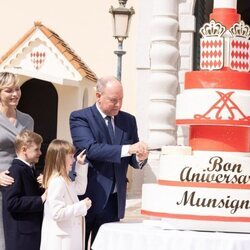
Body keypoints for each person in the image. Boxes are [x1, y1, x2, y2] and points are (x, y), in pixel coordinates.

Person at [70, 75, 149, 249]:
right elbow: (90, 149)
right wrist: (129, 149)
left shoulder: (128, 120)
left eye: (121, 100)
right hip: (87, 197)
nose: (119, 105)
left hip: (114, 201)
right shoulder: (80, 118)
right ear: (98, 96)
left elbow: (132, 160)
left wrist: (139, 158)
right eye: (114, 100)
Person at [0, 72, 34, 249]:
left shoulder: (27, 120)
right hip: (1, 186)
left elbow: (31, 153)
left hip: (23, 188)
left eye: (17, 89)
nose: (15, 94)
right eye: (8, 90)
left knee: (19, 238)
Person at [40, 139, 92, 250]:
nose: (73, 161)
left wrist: (80, 165)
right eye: (71, 157)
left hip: (67, 239)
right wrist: (81, 206)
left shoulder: (64, 179)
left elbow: (80, 189)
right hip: (61, 242)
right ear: (60, 159)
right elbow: (57, 213)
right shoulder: (57, 181)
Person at [1, 130, 46, 250]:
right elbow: (11, 202)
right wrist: (40, 200)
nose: (40, 153)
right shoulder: (16, 171)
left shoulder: (29, 169)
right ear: (24, 150)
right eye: (37, 149)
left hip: (30, 233)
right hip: (21, 238)